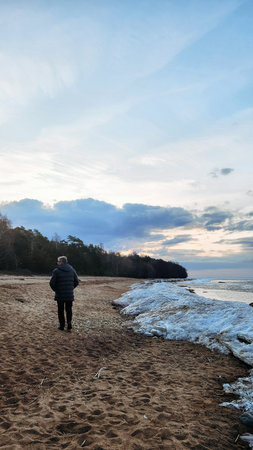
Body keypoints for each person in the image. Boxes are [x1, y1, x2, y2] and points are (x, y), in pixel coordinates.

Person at [50, 256, 79, 331]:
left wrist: (56, 290)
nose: (57, 263)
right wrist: (71, 288)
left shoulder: (56, 271)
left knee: (60, 310)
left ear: (61, 262)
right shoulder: (72, 270)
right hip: (69, 294)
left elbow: (51, 283)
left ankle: (62, 326)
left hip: (60, 294)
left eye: (58, 261)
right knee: (69, 309)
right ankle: (69, 324)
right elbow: (77, 282)